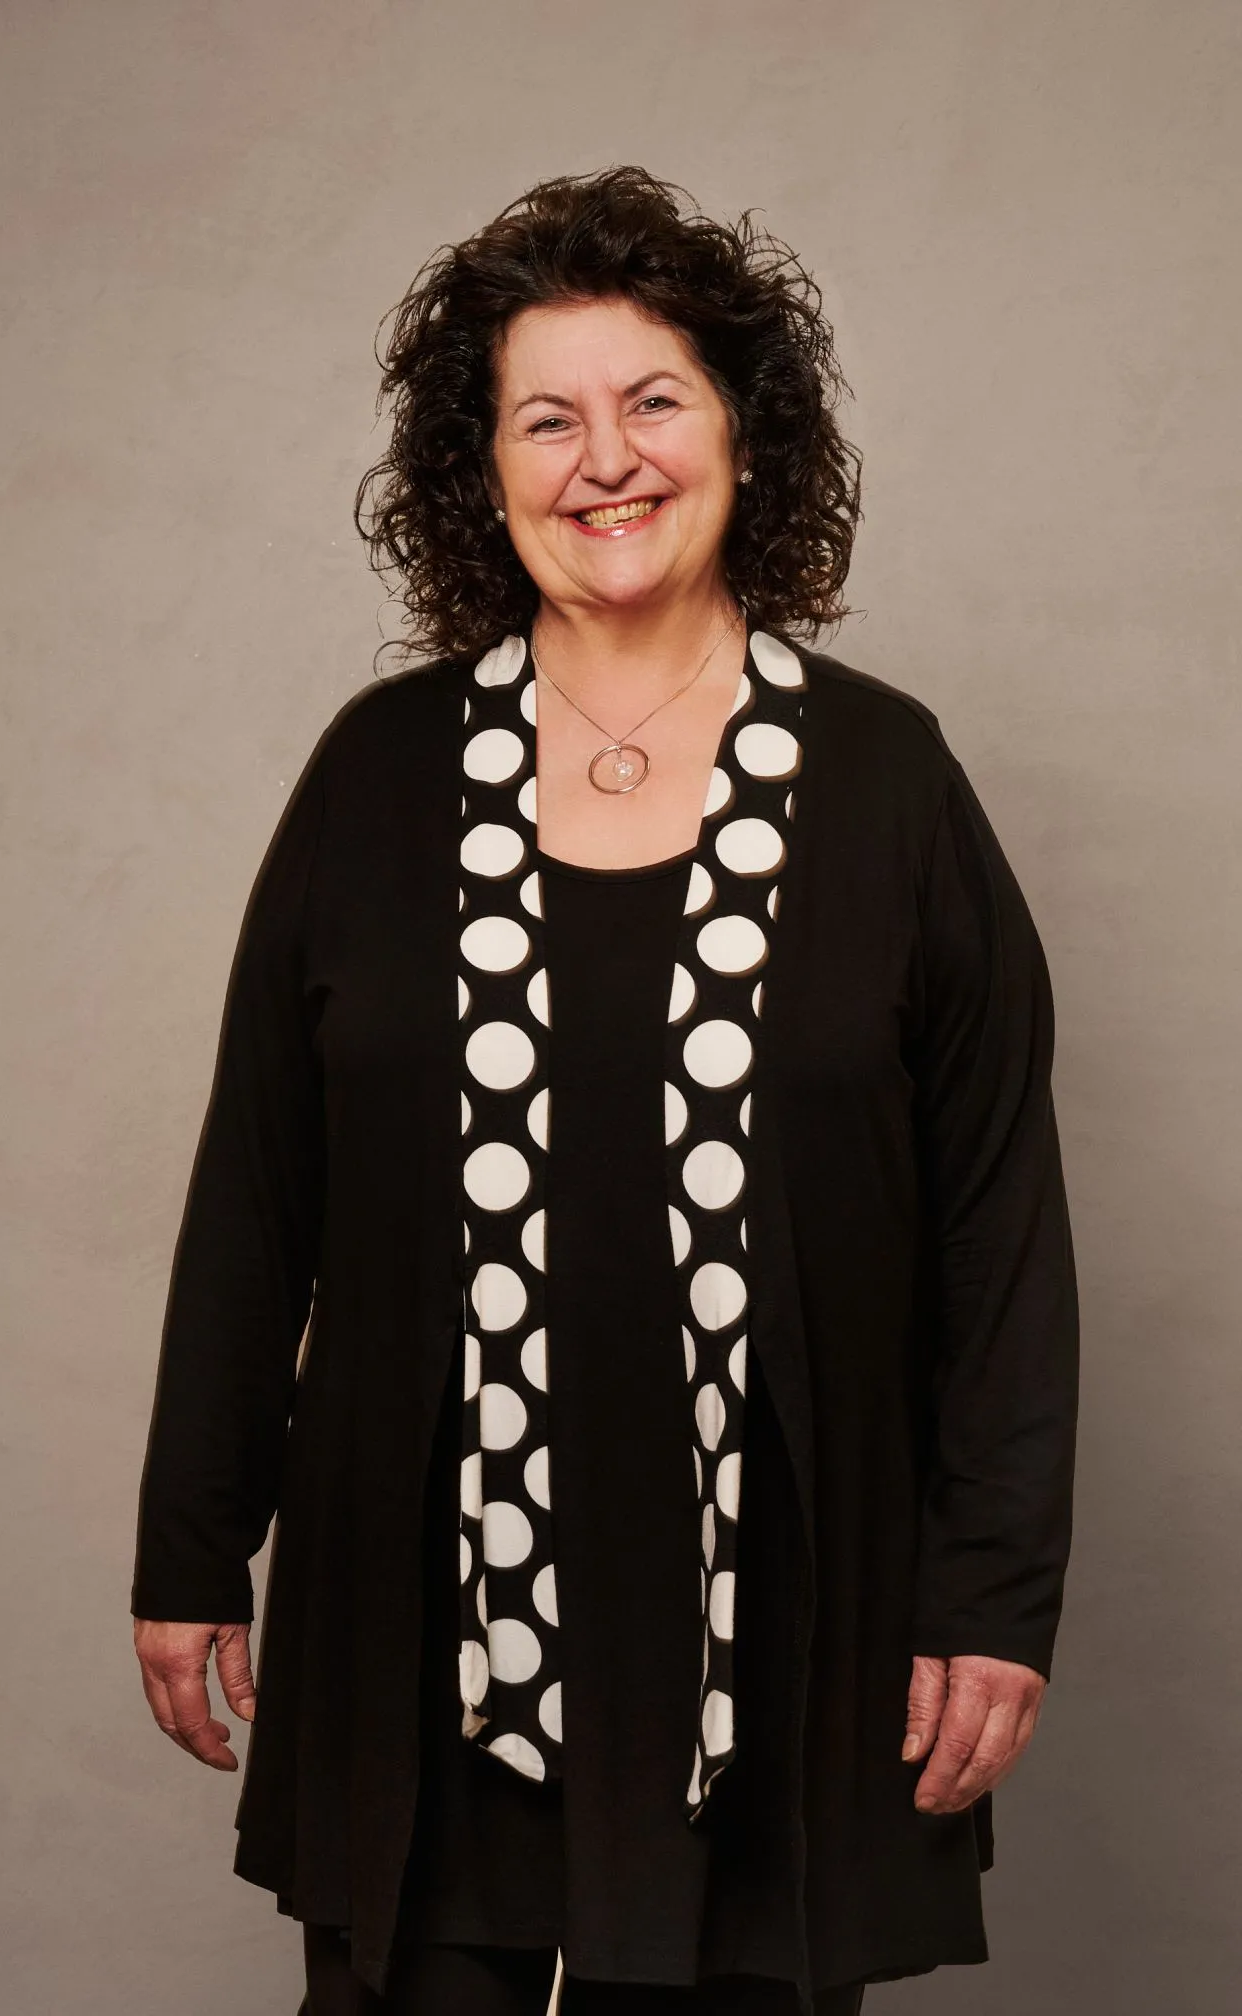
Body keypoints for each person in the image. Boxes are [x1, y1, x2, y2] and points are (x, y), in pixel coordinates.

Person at [130, 166, 1079, 2016]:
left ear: (746, 436)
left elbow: (1000, 1233)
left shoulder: (887, 782)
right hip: (419, 1600)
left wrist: (990, 1595)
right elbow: (257, 1193)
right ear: (479, 471)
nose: (608, 460)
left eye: (655, 400)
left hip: (783, 1613)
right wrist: (192, 1539)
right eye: (546, 418)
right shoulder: (379, 776)